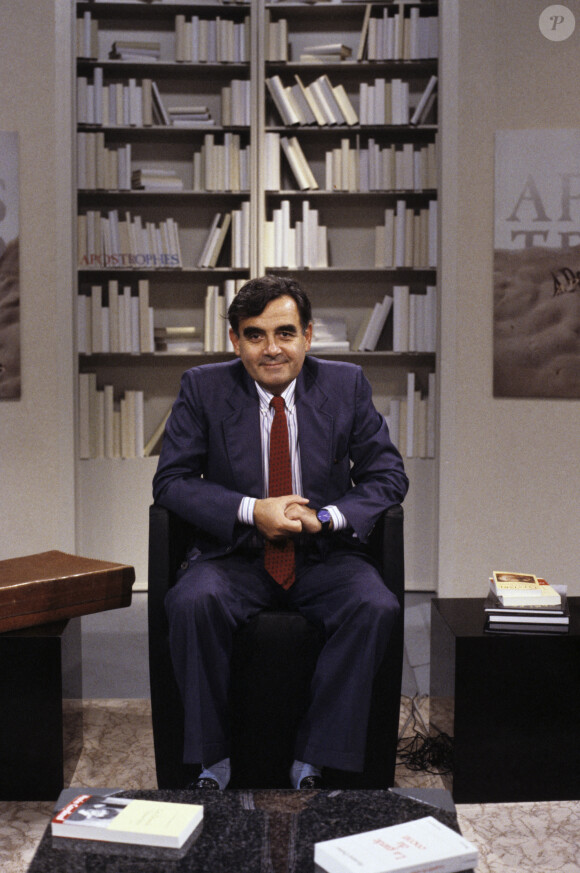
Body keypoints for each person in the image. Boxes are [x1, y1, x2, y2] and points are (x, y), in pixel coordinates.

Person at [152, 275, 408, 790]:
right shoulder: (203, 387)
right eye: (255, 335)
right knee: (190, 602)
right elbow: (172, 482)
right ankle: (212, 762)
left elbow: (387, 476)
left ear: (308, 336)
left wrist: (327, 517)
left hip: (324, 555)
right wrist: (251, 509)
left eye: (285, 333)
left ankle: (316, 760)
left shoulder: (345, 384)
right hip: (235, 555)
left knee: (374, 605)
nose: (272, 349)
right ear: (235, 340)